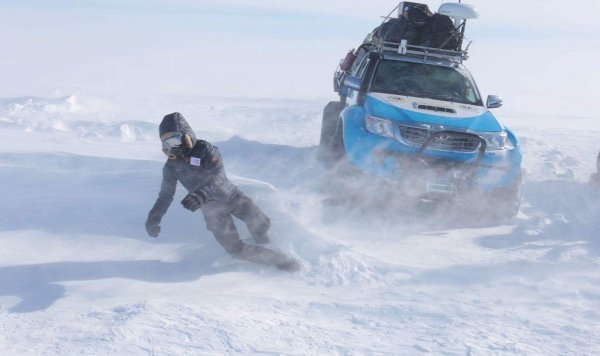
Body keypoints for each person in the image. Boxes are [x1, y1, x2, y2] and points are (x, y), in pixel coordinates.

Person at [145, 112, 299, 272]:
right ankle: (280, 260)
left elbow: (218, 176)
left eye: (175, 139)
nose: (173, 146)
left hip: (232, 197)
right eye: (167, 143)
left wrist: (201, 193)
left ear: (186, 135)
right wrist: (153, 219)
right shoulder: (171, 166)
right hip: (213, 212)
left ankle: (264, 241)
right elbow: (165, 195)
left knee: (262, 223)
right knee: (236, 250)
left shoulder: (205, 149)